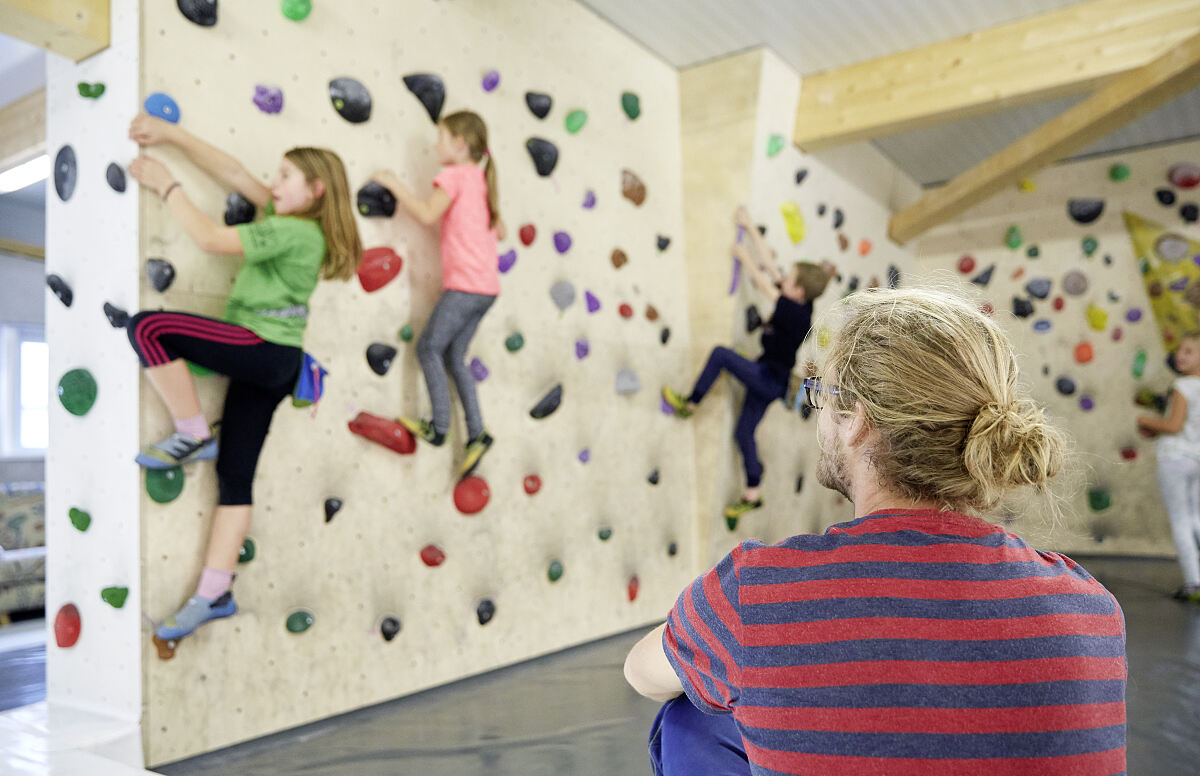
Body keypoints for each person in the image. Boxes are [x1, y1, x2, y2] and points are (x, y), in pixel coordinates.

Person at [627, 286, 1127, 775]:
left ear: (856, 422)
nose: (816, 413)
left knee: (688, 717)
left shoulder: (758, 591)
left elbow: (642, 673)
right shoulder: (1093, 608)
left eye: (819, 394)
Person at [125, 113, 361, 646]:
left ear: (315, 190)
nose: (271, 184)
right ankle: (214, 593)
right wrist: (173, 134)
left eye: (283, 177)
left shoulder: (294, 230)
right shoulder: (298, 222)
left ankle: (192, 432)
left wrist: (167, 185)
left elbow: (209, 238)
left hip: (264, 350)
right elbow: (234, 173)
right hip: (274, 364)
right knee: (235, 478)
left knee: (149, 327)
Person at [662, 207, 833, 521]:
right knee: (743, 434)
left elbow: (762, 280)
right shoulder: (801, 298)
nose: (784, 280)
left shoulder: (793, 311)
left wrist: (743, 257)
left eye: (790, 279)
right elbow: (772, 266)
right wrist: (749, 226)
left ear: (797, 291)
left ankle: (690, 403)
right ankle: (753, 492)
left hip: (768, 378)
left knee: (720, 355)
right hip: (770, 376)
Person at [370, 110, 505, 479]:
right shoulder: (481, 178)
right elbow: (501, 230)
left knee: (429, 347)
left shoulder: (454, 176)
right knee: (455, 358)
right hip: (487, 290)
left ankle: (439, 427)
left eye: (441, 138)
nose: (435, 145)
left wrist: (396, 186)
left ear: (459, 144)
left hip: (464, 287)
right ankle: (477, 433)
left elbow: (429, 214)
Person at [1137, 332, 1200, 602]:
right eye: (1180, 351)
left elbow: (1173, 426)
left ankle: (1193, 583)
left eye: (1189, 351)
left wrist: (1146, 421)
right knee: (1196, 517)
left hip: (1175, 459)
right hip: (1197, 458)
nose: (1181, 355)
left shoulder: (1183, 386)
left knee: (1180, 520)